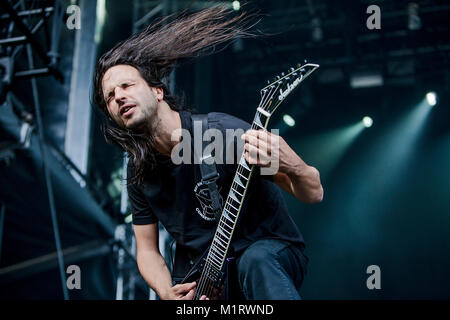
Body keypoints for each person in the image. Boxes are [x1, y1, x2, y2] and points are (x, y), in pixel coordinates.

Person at [93, 6, 323, 300]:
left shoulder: (221, 133)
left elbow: (313, 193)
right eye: (110, 97)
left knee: (255, 260)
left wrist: (295, 166)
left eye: (126, 85)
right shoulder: (139, 170)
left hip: (270, 255)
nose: (118, 96)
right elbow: (148, 251)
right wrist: (167, 291)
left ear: (157, 91)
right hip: (205, 278)